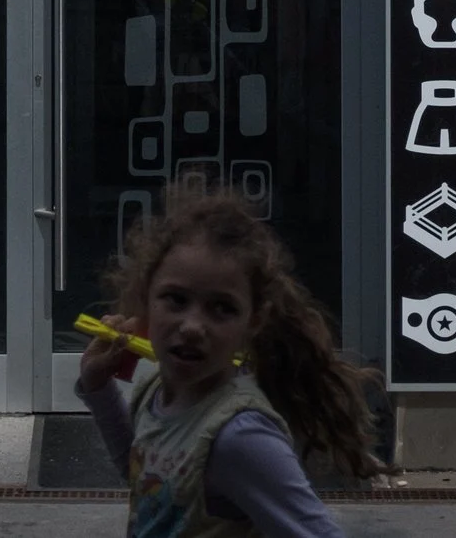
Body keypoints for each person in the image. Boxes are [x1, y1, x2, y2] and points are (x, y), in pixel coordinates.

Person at [76, 189, 379, 538]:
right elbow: (147, 481)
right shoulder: (156, 392)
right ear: (146, 301)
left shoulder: (238, 436)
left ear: (253, 322)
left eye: (221, 308)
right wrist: (98, 387)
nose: (192, 326)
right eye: (176, 299)